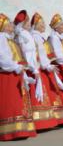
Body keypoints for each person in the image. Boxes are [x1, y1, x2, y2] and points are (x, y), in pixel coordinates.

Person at [14, 10, 58, 130]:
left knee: (33, 96)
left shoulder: (24, 35)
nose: (29, 25)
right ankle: (38, 123)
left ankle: (38, 122)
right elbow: (31, 55)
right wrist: (35, 69)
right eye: (27, 23)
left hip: (31, 67)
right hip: (30, 68)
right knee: (33, 96)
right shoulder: (27, 35)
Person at [0, 13, 37, 141]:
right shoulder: (1, 38)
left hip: (14, 73)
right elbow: (3, 59)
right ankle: (10, 131)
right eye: (9, 23)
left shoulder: (8, 39)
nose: (12, 25)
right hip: (7, 74)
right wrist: (15, 66)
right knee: (10, 102)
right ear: (4, 26)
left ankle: (20, 130)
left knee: (16, 102)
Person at [31, 12, 63, 124]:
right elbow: (40, 54)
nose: (44, 25)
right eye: (42, 23)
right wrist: (48, 66)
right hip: (43, 69)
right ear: (37, 25)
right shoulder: (36, 36)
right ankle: (43, 121)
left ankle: (51, 119)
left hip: (46, 68)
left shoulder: (39, 36)